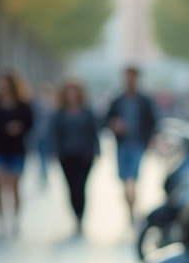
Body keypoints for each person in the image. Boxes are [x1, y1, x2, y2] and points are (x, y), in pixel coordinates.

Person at [0, 71, 34, 238]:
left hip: (16, 150)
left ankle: (15, 219)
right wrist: (3, 128)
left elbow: (30, 123)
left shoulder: (23, 105)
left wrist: (19, 128)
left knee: (15, 187)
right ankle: (1, 222)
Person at [104, 66, 157, 220]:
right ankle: (130, 208)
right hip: (121, 145)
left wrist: (149, 140)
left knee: (132, 179)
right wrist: (114, 124)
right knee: (124, 181)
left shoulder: (144, 101)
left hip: (138, 145)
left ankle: (132, 210)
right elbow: (106, 119)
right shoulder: (117, 100)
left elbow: (152, 122)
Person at [49, 80, 99, 232]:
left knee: (81, 186)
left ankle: (81, 215)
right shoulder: (60, 113)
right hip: (66, 155)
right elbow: (54, 133)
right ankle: (75, 214)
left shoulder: (87, 112)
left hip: (85, 155)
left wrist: (96, 151)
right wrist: (54, 151)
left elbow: (93, 132)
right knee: (71, 187)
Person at [32, 82, 56, 186]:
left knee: (45, 155)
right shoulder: (36, 104)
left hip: (48, 135)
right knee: (42, 155)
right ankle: (43, 172)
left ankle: (44, 171)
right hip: (39, 135)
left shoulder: (53, 104)